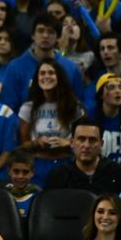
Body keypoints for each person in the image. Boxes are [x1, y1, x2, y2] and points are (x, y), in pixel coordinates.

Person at [19, 59, 84, 187]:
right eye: (42, 73)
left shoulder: (74, 108)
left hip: (66, 163)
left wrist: (67, 143)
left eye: (51, 73)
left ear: (59, 77)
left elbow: (82, 140)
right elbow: (24, 145)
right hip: (38, 165)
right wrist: (37, 142)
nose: (46, 76)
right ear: (37, 79)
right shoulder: (28, 108)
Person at [0, 14, 84, 112]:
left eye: (50, 32)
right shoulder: (15, 67)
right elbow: (8, 109)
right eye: (40, 31)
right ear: (33, 36)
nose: (45, 36)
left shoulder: (71, 68)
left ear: (58, 37)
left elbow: (78, 107)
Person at [46, 116, 121, 194]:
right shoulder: (59, 176)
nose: (86, 145)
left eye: (92, 140)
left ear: (101, 144)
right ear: (71, 142)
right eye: (81, 139)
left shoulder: (118, 173)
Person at [3, 149, 40, 219]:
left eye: (25, 172)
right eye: (16, 171)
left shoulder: (39, 197)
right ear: (9, 171)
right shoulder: (2, 195)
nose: (20, 176)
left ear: (32, 173)